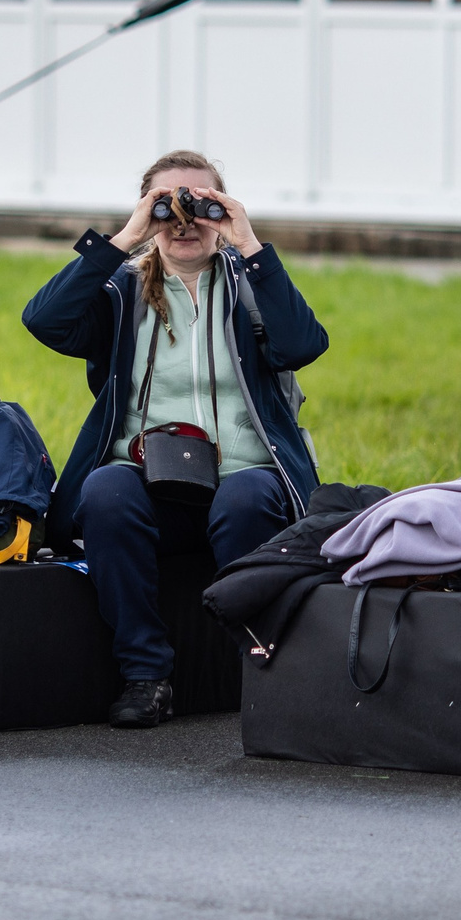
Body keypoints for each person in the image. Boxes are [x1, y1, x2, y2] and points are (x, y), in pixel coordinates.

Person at [23, 151, 327, 728]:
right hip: (146, 482)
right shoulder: (121, 292)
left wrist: (251, 246)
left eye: (202, 203)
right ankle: (145, 675)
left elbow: (303, 346)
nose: (184, 218)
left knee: (242, 501)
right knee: (106, 489)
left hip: (246, 479)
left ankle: (258, 673)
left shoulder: (249, 286)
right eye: (167, 204)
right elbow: (46, 321)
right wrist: (126, 238)